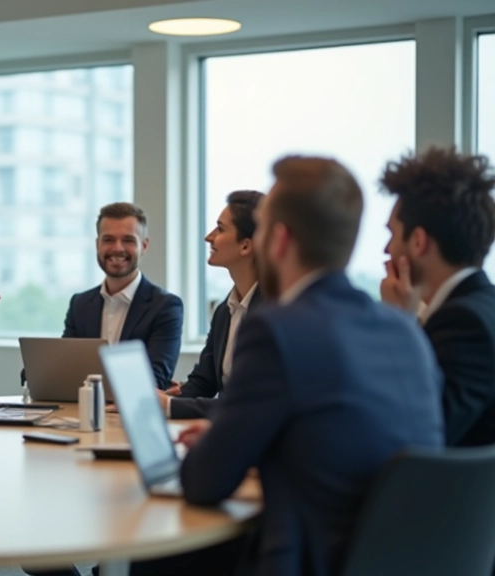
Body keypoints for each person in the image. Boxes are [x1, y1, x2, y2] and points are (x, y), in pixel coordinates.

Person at [177, 156, 443, 576]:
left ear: (278, 241)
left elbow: (204, 484)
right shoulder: (403, 329)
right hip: (406, 561)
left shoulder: (277, 329)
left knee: (160, 558)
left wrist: (211, 450)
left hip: (313, 562)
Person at [379, 147, 495, 446]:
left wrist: (398, 324)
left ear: (418, 241)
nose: (386, 250)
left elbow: (415, 434)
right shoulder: (484, 306)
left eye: (392, 234)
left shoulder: (464, 322)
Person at [161, 191, 264, 419]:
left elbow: (248, 403)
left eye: (220, 229)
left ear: (246, 246)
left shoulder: (273, 314)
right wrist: (157, 400)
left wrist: (168, 406)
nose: (209, 237)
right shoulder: (224, 311)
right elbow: (203, 382)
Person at [60, 202, 182, 389]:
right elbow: (63, 368)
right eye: (108, 239)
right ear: (97, 244)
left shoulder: (166, 307)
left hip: (134, 414)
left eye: (128, 240)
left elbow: (156, 379)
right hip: (81, 411)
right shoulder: (80, 304)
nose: (117, 248)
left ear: (144, 245)